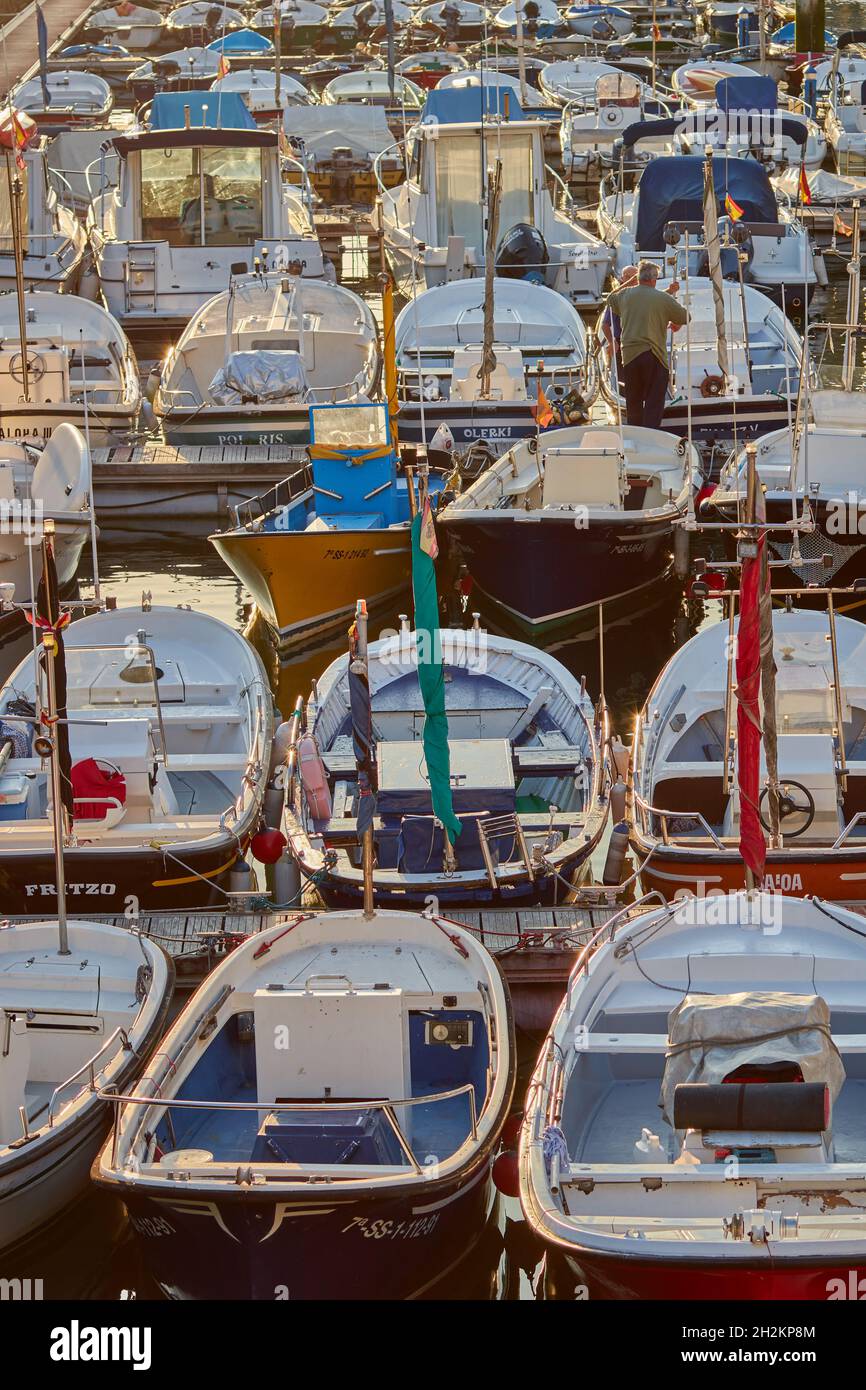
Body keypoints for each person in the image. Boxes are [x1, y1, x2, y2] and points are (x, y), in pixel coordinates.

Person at [605, 261, 688, 429]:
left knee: (633, 400)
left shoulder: (625, 296)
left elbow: (610, 298)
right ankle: (651, 433)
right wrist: (669, 298)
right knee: (654, 400)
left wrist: (629, 281)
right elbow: (685, 317)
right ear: (654, 279)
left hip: (630, 357)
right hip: (654, 355)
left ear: (638, 277)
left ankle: (637, 434)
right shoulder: (661, 298)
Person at [600, 264, 637, 382]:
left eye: (634, 277)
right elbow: (605, 324)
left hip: (642, 341)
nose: (632, 279)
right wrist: (612, 342)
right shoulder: (616, 298)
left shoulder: (644, 297)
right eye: (627, 276)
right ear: (622, 279)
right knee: (624, 378)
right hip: (623, 342)